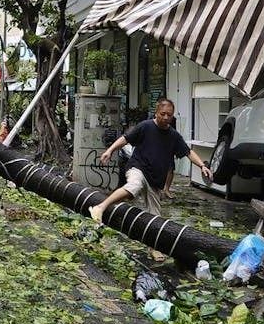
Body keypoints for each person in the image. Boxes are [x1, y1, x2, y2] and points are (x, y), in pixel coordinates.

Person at [90, 99, 212, 258]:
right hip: (138, 168)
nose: (166, 117)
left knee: (155, 219)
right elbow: (125, 138)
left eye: (169, 115)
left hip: (156, 181)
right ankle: (100, 207)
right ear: (156, 113)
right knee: (135, 185)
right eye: (163, 114)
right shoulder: (145, 126)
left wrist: (202, 166)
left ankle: (153, 248)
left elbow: (188, 152)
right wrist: (110, 150)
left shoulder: (173, 135)